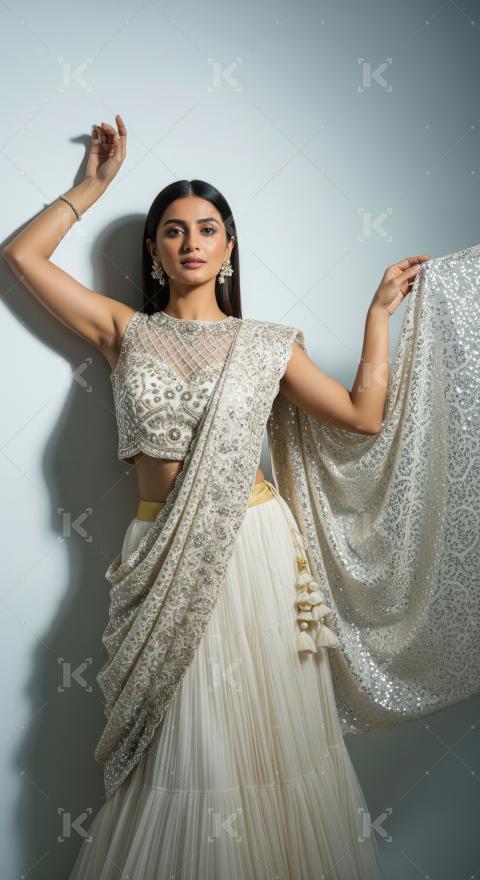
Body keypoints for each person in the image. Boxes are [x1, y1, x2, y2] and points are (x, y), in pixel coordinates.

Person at [2, 114, 438, 879]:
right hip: (156, 552)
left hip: (256, 551)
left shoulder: (268, 345)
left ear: (229, 246)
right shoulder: (123, 331)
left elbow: (363, 416)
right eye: (173, 230)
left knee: (261, 735)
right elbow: (20, 257)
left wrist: (377, 318)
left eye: (207, 229)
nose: (191, 242)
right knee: (181, 740)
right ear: (154, 250)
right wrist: (92, 186)